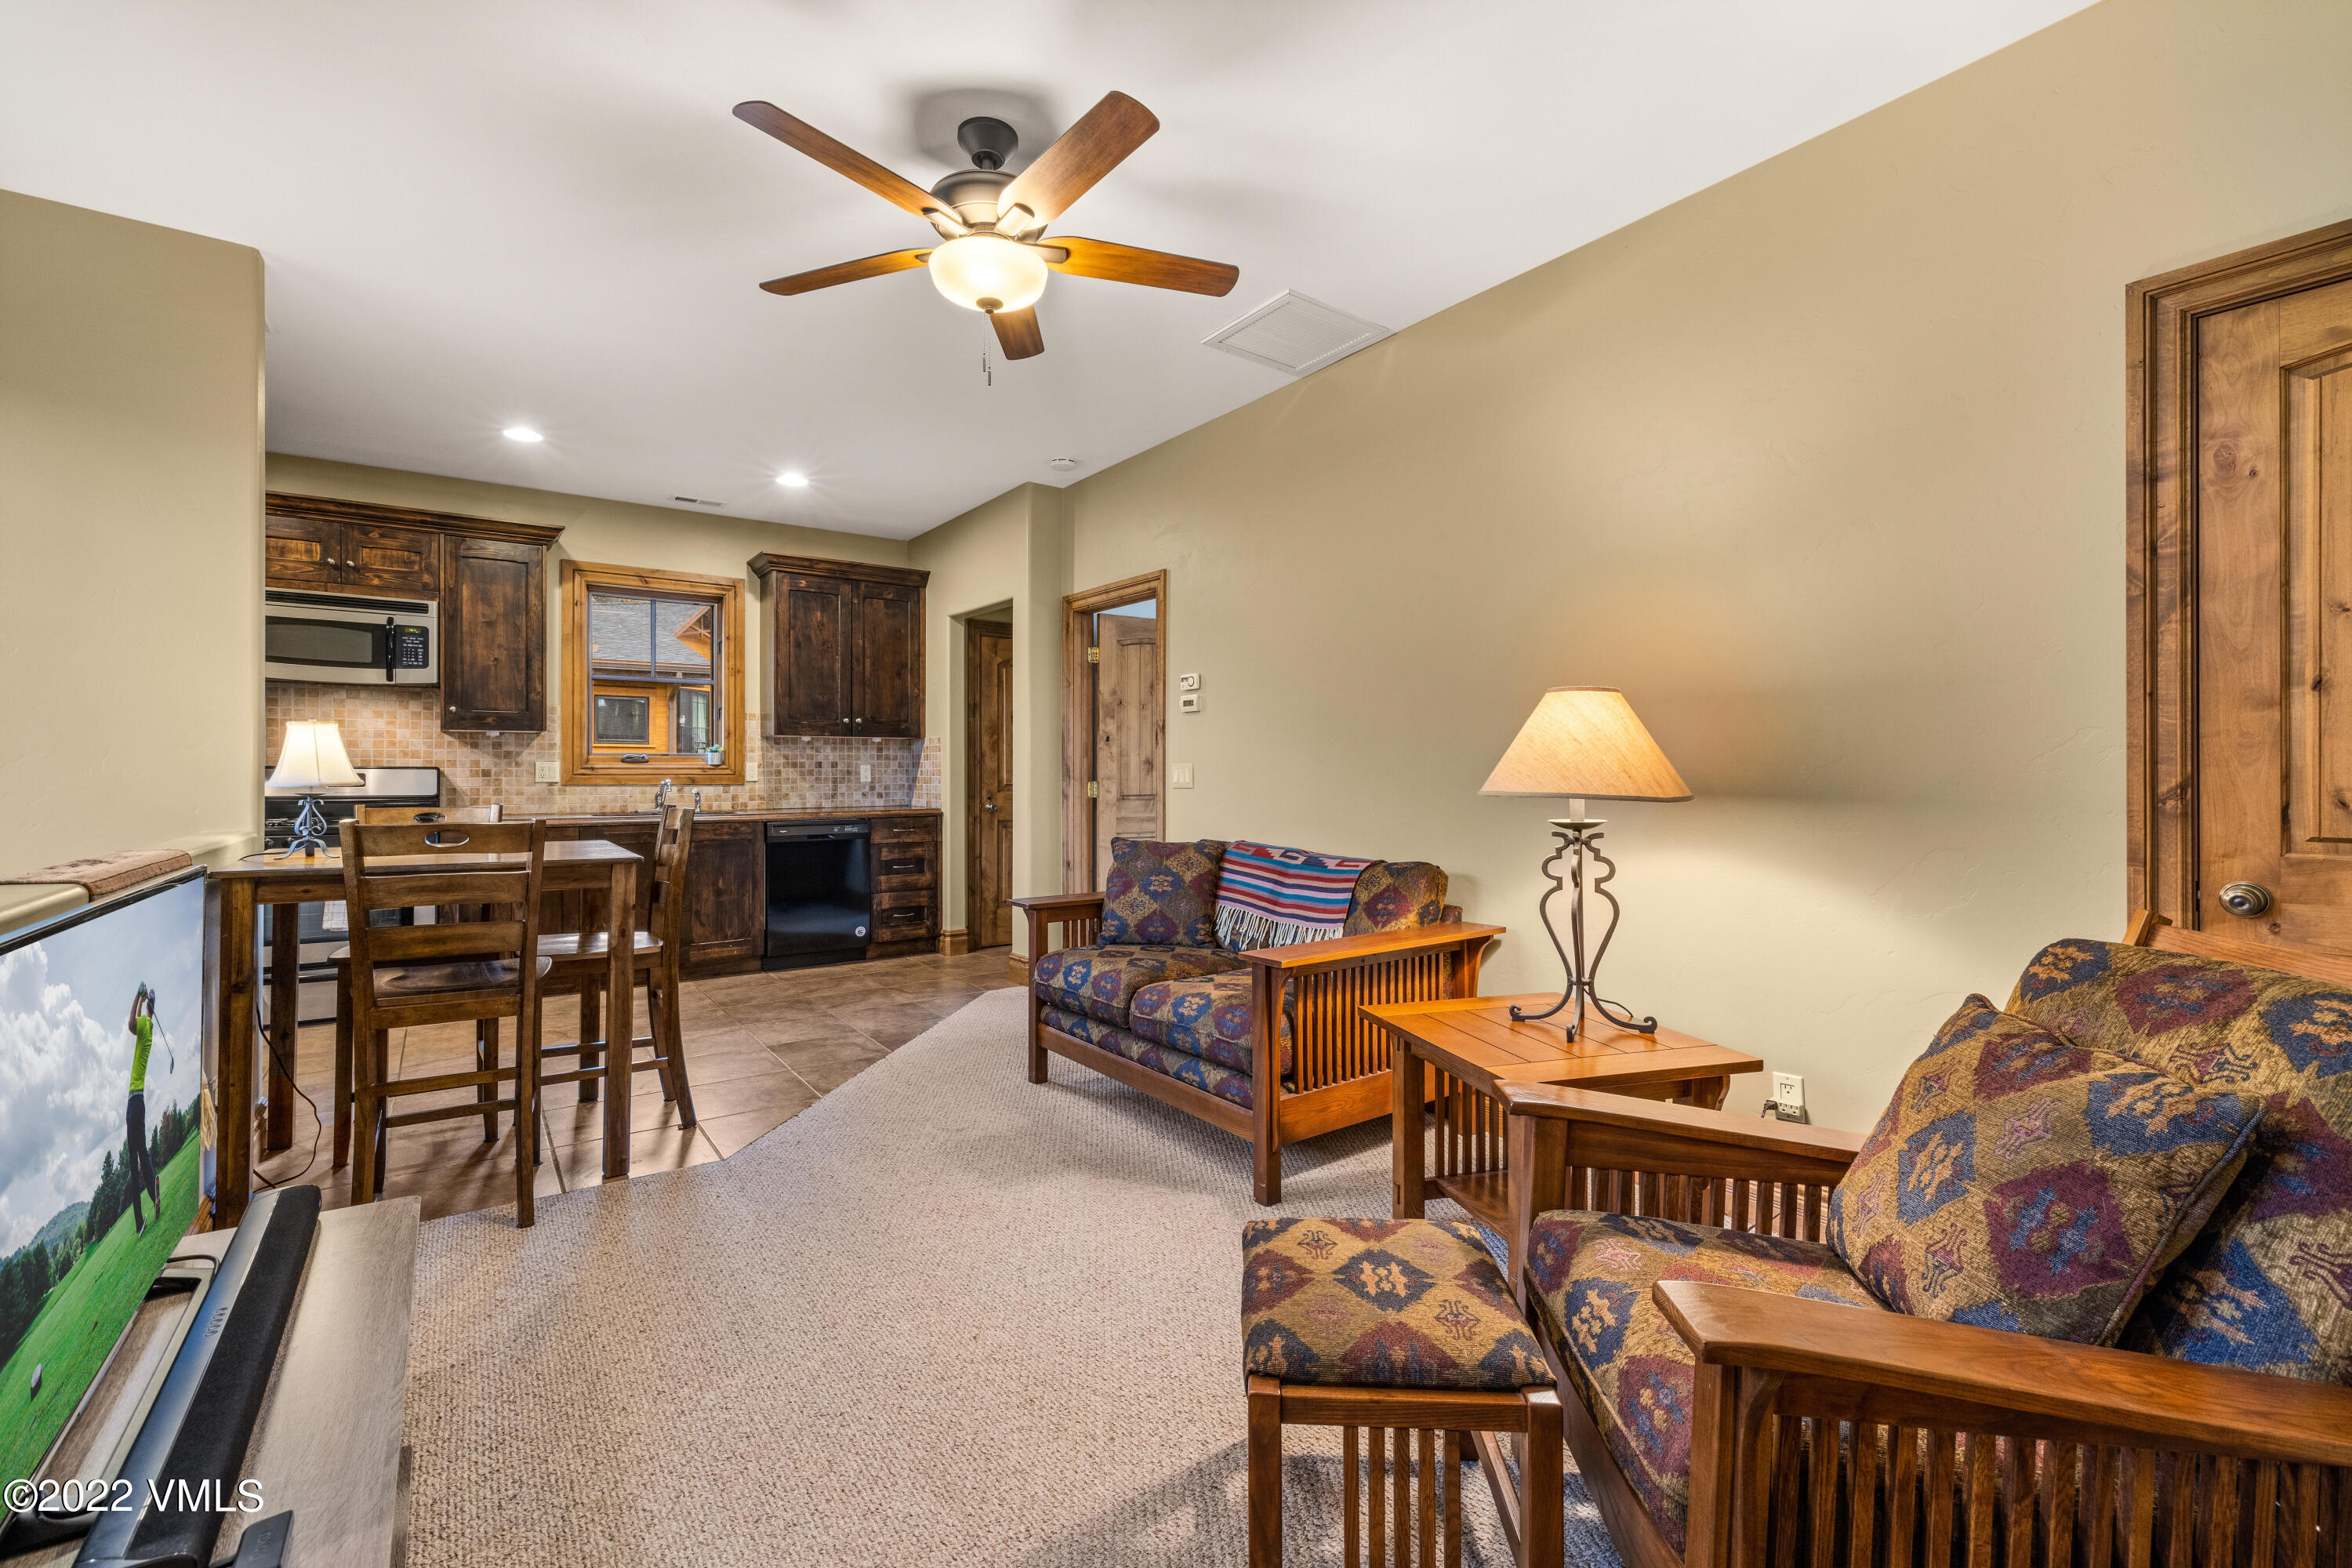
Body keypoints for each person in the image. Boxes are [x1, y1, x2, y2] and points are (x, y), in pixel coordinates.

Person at [124, 984, 163, 1236]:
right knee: (142, 1153)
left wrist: (136, 996)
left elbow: (130, 1023)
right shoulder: (149, 1027)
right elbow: (142, 1019)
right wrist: (145, 1002)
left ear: (146, 1007)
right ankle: (154, 1192)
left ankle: (139, 1224)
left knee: (133, 1159)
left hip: (134, 1103)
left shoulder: (143, 1028)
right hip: (140, 1104)